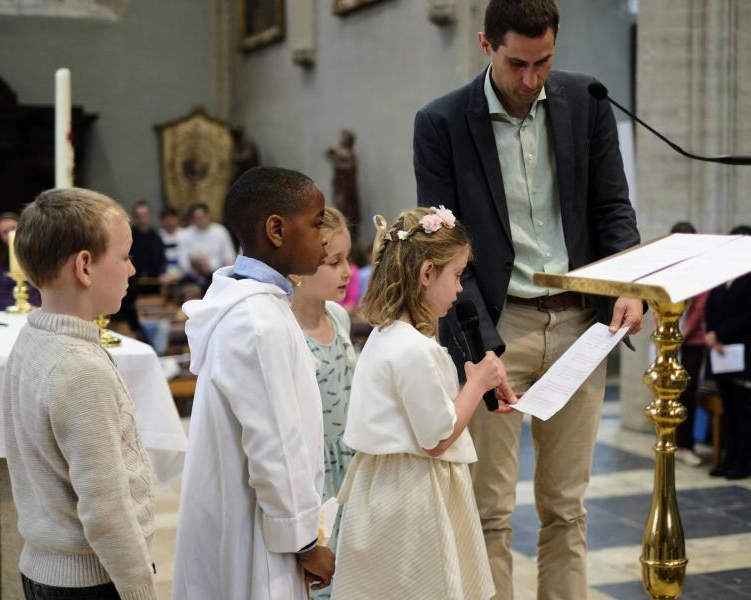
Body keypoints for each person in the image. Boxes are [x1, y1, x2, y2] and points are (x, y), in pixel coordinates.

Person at [412, 1, 642, 596]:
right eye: (518, 63)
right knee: (489, 509)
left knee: (567, 508)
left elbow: (613, 208)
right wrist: (480, 348)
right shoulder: (441, 122)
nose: (531, 79)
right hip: (497, 324)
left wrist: (628, 286)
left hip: (577, 325)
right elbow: (442, 248)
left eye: (544, 62)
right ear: (487, 46)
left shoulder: (585, 102)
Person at [333, 207, 515, 600]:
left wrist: (467, 385)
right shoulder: (415, 348)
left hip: (382, 486)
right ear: (427, 273)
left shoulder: (385, 336)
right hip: (414, 493)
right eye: (456, 275)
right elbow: (437, 438)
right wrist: (476, 382)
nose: (461, 289)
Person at [173, 167, 334, 600]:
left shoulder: (254, 304)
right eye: (317, 222)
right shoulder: (256, 320)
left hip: (251, 513)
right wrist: (304, 542)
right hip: (258, 528)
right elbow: (275, 444)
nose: (324, 236)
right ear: (277, 229)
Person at [4, 188, 156, 599]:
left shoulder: (32, 337)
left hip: (44, 567)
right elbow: (107, 512)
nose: (132, 268)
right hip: (90, 579)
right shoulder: (79, 369)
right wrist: (141, 591)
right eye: (124, 256)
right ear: (85, 266)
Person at [289, 206, 356, 599]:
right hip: (316, 475)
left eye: (347, 259)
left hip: (351, 465)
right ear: (299, 270)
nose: (347, 272)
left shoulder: (339, 317)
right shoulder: (287, 331)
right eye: (333, 262)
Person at [705, 225, 751, 480]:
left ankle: (742, 462)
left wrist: (719, 334)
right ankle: (727, 458)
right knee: (727, 407)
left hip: (741, 348)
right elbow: (712, 306)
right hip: (719, 350)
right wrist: (711, 334)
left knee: (742, 407)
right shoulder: (725, 273)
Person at [669, 221, 708, 467]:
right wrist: (665, 331)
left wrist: (682, 333)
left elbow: (700, 306)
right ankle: (669, 440)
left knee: (688, 393)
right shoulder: (668, 267)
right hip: (669, 340)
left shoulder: (700, 268)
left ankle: (686, 445)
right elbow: (657, 300)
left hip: (692, 341)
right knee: (668, 392)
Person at [0, 212, 41, 310]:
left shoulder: (37, 256)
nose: (11, 234)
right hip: (1, 313)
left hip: (33, 310)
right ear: (0, 237)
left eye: (13, 228)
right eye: (5, 232)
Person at [176, 202, 236, 289]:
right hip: (194, 277)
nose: (200, 220)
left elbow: (229, 257)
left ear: (208, 216)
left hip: (217, 275)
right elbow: (183, 262)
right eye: (197, 218)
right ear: (192, 219)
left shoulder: (220, 231)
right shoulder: (184, 235)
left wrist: (214, 269)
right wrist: (195, 270)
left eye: (202, 217)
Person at [325, 129, 360, 242]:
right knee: (341, 210)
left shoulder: (349, 155)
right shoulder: (341, 152)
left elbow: (348, 165)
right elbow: (328, 153)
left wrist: (337, 160)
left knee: (348, 212)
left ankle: (351, 237)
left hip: (347, 188)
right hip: (340, 186)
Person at [129, 200, 166, 280]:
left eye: (145, 216)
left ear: (149, 216)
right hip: (134, 281)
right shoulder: (128, 237)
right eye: (139, 216)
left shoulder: (156, 237)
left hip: (155, 280)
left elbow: (162, 259)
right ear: (134, 217)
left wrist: (162, 273)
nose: (142, 220)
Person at [158, 207, 183, 282]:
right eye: (166, 219)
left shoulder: (185, 234)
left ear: (177, 219)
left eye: (172, 218)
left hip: (182, 271)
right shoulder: (158, 236)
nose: (169, 222)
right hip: (164, 272)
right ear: (162, 220)